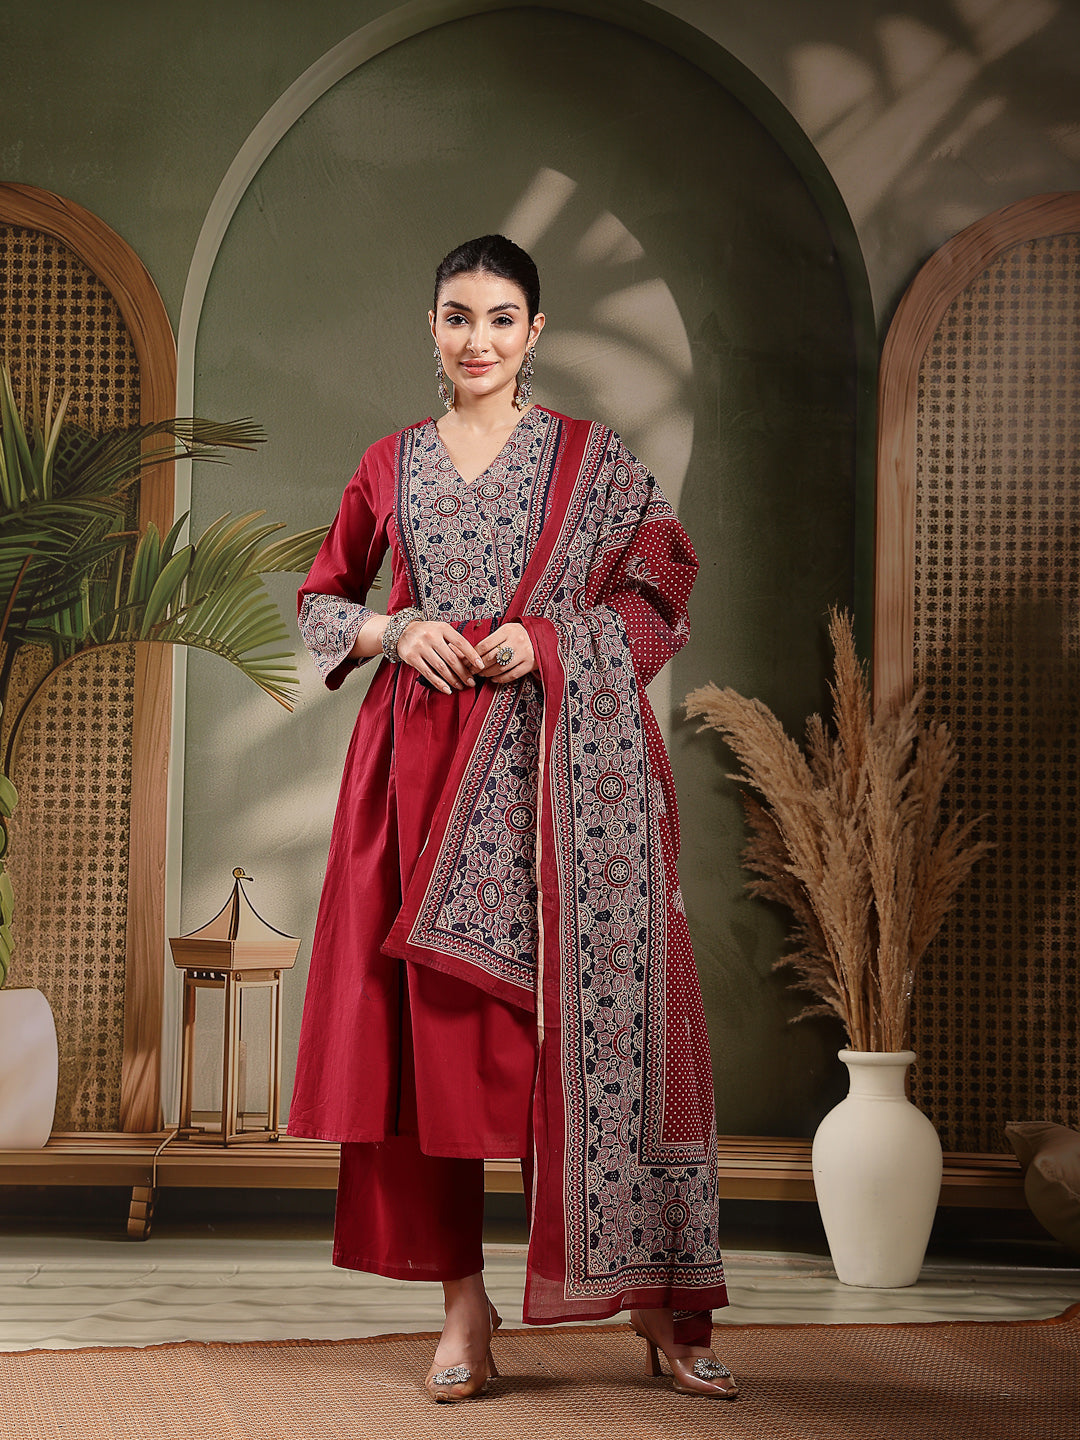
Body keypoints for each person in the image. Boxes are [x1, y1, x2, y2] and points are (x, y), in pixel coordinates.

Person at [289, 235, 735, 1403]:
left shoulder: (595, 461)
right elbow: (323, 602)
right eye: (457, 316)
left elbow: (664, 586)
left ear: (535, 332)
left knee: (603, 1036)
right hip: (416, 780)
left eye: (500, 318)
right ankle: (462, 1309)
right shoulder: (390, 464)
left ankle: (654, 1298)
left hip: (569, 786)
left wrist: (546, 641)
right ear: (430, 327)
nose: (476, 339)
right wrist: (398, 630)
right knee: (431, 1056)